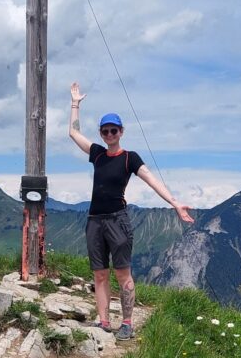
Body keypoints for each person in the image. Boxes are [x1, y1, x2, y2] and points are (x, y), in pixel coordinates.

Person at [68, 81, 194, 341]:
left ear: (121, 132)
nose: (110, 134)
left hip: (118, 220)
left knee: (122, 272)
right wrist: (75, 104)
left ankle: (126, 323)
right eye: (105, 131)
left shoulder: (130, 158)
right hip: (94, 220)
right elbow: (73, 133)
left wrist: (174, 202)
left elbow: (151, 179)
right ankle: (103, 322)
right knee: (99, 274)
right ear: (101, 133)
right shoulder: (98, 154)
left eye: (114, 130)